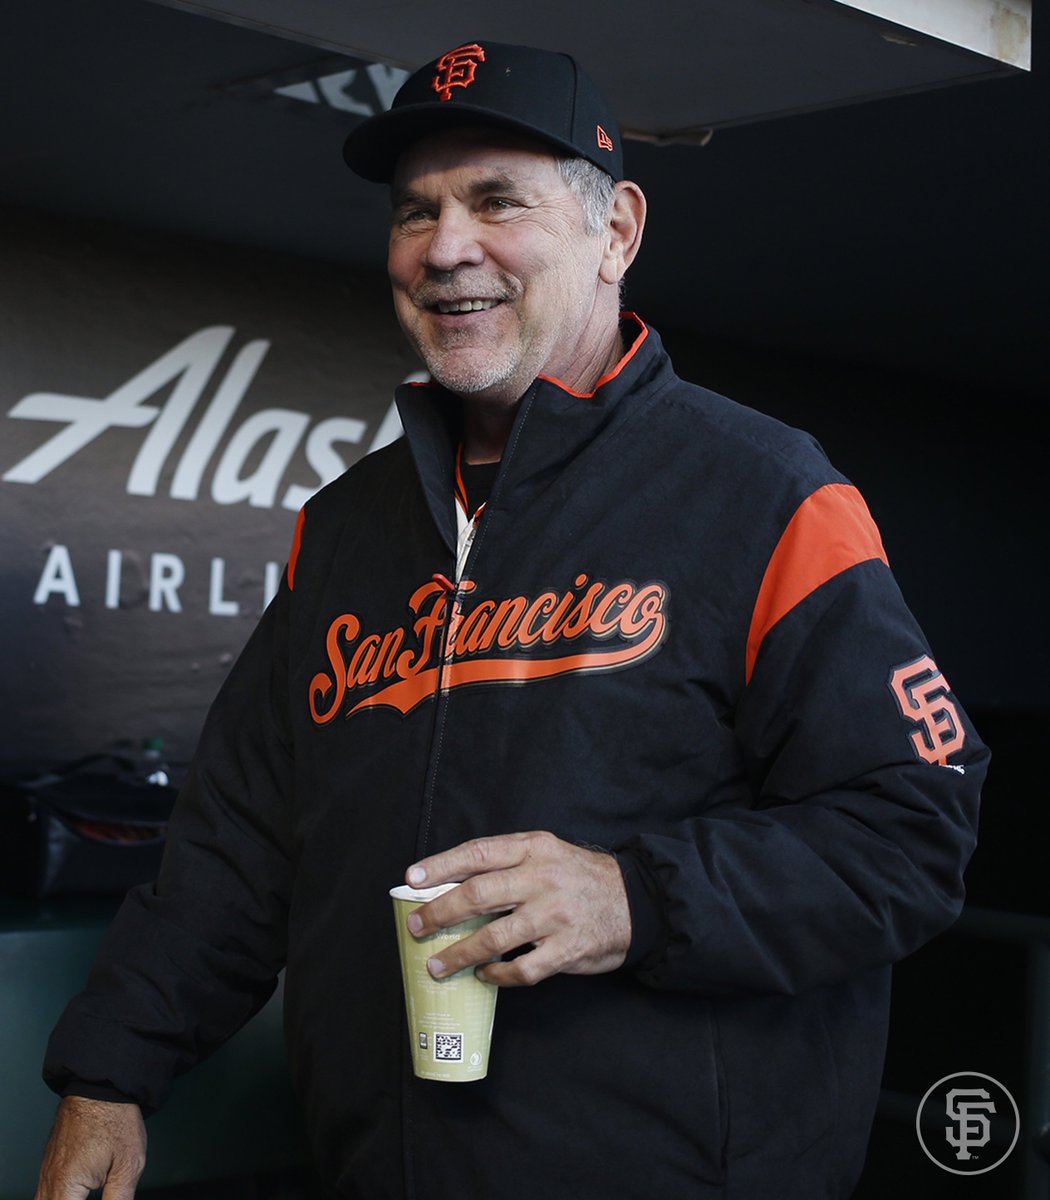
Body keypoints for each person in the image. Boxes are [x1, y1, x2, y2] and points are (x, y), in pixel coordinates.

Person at [35, 40, 988, 1200]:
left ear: (617, 232)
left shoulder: (766, 494)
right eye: (415, 212)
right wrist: (109, 1077)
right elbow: (239, 847)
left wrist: (632, 897)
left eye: (497, 202)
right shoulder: (341, 533)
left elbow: (911, 832)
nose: (446, 249)